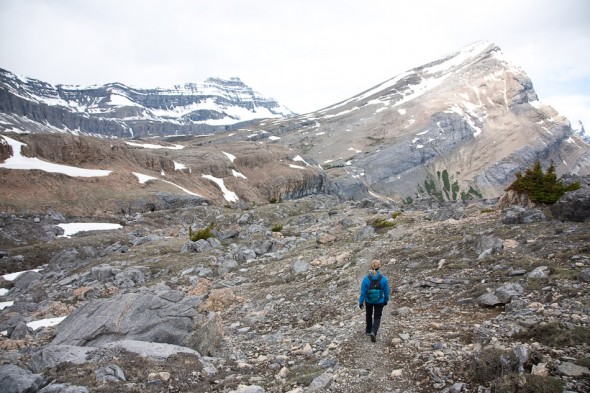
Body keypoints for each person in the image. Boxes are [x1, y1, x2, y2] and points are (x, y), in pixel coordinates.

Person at [359, 259, 390, 342]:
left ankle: (368, 330)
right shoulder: (383, 279)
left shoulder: (366, 279)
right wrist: (386, 300)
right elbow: (387, 292)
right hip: (379, 301)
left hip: (368, 301)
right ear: (379, 267)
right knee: (377, 316)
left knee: (368, 314)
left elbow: (363, 291)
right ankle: (374, 332)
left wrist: (361, 302)